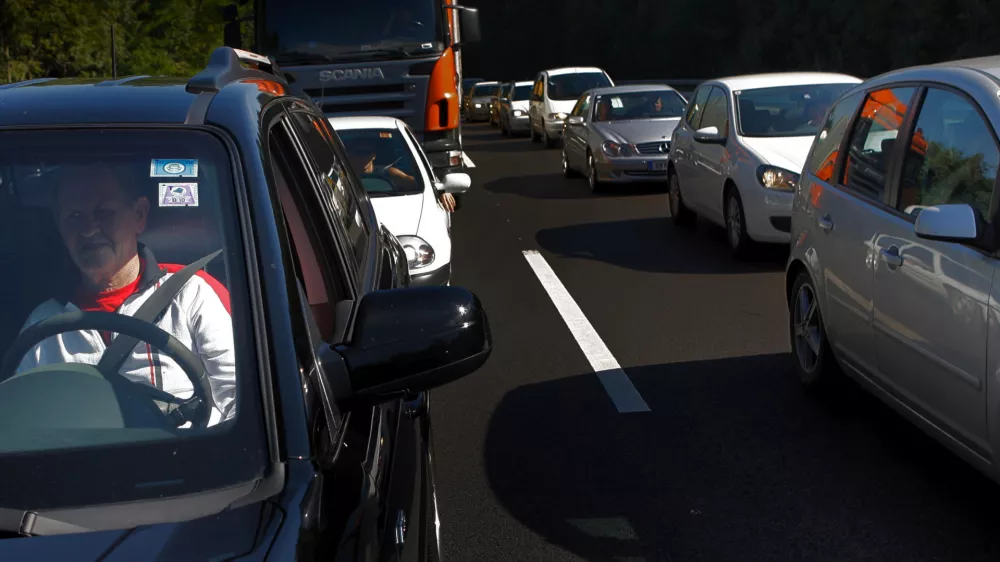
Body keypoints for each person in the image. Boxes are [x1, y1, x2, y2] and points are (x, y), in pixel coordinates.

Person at [15, 162, 236, 426]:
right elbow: (20, 419)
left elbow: (241, 400)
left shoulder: (193, 294)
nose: (88, 229)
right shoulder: (42, 324)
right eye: (74, 216)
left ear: (140, 216)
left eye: (104, 212)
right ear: (60, 229)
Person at [349, 142, 457, 212]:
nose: (362, 156)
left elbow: (416, 182)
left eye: (366, 152)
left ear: (374, 156)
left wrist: (441, 190)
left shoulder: (388, 172)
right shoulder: (345, 176)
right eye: (358, 153)